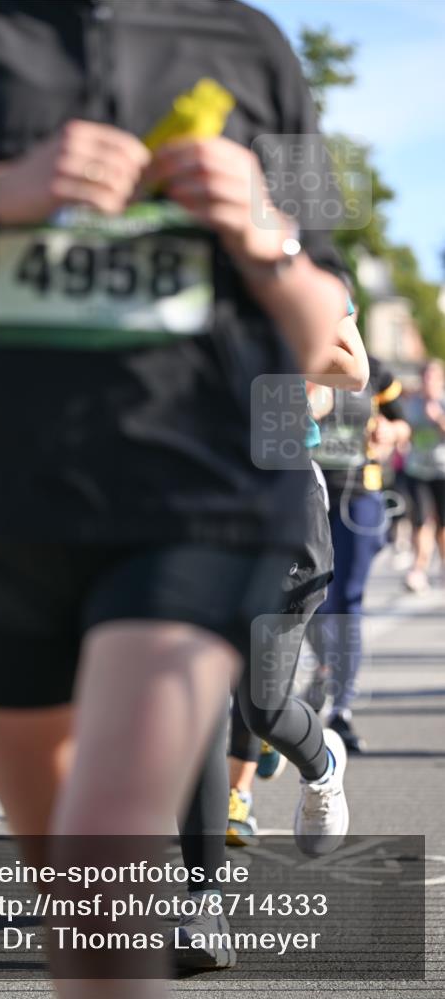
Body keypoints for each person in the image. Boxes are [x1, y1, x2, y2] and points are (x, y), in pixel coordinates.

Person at [0, 3, 350, 993]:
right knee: (85, 916)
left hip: (195, 499)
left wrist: (262, 237)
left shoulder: (250, 46)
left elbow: (322, 335)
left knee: (109, 832)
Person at [176, 304, 368, 969]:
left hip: (275, 503)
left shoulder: (285, 252)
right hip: (170, 501)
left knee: (259, 707)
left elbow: (349, 367)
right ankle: (201, 902)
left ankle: (322, 761)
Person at [306, 356, 411, 752]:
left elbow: (402, 423)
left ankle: (342, 709)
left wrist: (389, 430)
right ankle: (324, 666)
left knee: (348, 599)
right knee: (308, 598)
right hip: (305, 489)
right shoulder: (296, 352)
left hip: (358, 494)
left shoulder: (376, 370)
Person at [403, 359, 445, 592]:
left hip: (442, 470)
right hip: (417, 470)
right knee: (420, 520)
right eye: (425, 378)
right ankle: (418, 570)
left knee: (442, 524)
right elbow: (407, 429)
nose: (428, 382)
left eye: (432, 378)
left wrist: (438, 418)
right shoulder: (414, 403)